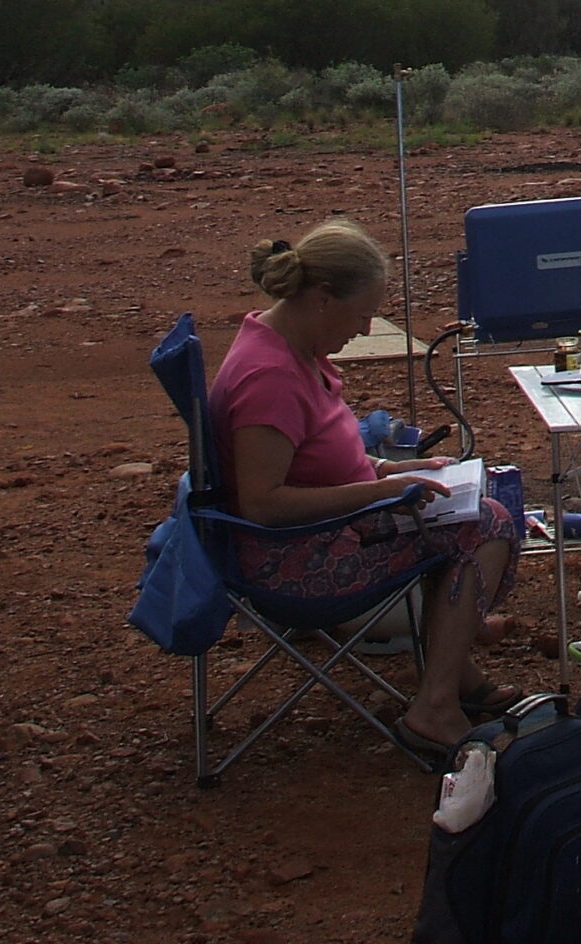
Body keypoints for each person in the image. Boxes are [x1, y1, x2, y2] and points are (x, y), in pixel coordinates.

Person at [209, 220, 522, 757]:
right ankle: (435, 707)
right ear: (322, 299)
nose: (363, 329)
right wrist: (379, 493)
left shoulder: (287, 345)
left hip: (316, 536)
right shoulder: (270, 378)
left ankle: (457, 673)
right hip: (295, 565)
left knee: (461, 510)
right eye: (361, 315)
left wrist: (379, 468)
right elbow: (264, 502)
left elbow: (314, 458)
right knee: (486, 523)